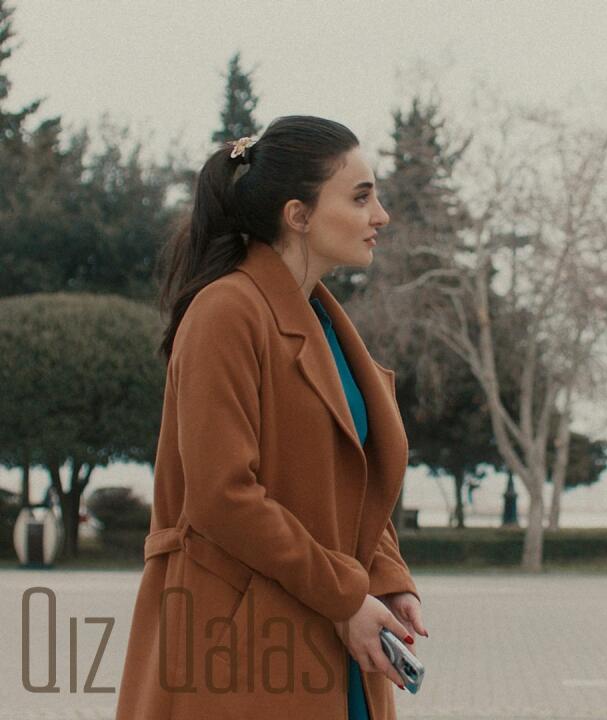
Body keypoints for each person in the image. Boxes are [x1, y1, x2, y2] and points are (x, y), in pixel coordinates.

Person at [116, 116, 427, 720]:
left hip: (330, 624)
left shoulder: (323, 320)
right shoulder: (226, 311)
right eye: (360, 197)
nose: (381, 216)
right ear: (298, 215)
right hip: (240, 639)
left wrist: (387, 576)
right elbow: (222, 497)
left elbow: (346, 482)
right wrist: (346, 597)